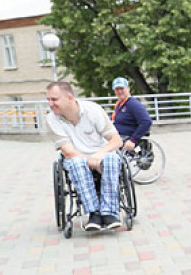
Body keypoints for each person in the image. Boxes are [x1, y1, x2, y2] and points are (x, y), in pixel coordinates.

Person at [46, 81, 124, 231]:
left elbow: (116, 140)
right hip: (76, 157)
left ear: (69, 97)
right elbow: (68, 151)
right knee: (76, 162)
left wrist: (99, 155)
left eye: (54, 99)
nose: (50, 104)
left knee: (112, 158)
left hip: (101, 153)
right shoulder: (52, 119)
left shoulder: (93, 110)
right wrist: (89, 161)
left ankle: (109, 213)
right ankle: (93, 213)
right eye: (48, 99)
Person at [110, 77, 152, 152]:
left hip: (125, 138)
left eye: (122, 88)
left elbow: (146, 121)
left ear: (128, 88)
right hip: (116, 135)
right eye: (117, 89)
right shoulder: (120, 104)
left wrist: (133, 140)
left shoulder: (133, 104)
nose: (119, 91)